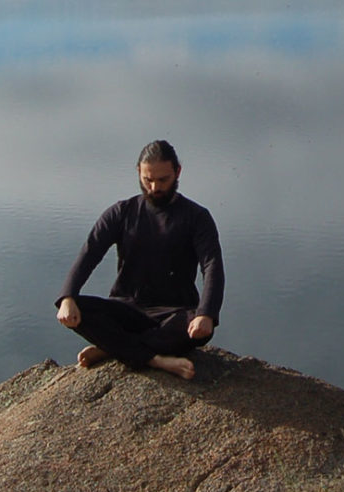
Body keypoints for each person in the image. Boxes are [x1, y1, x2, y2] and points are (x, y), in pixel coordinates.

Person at [55, 140, 225, 380]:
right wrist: (68, 296)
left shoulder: (196, 217)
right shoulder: (121, 212)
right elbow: (90, 252)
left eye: (163, 180)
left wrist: (206, 314)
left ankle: (114, 347)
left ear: (178, 172)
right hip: (127, 307)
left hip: (174, 312)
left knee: (200, 331)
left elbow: (212, 265)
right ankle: (154, 359)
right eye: (148, 180)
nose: (155, 187)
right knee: (77, 311)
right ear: (138, 173)